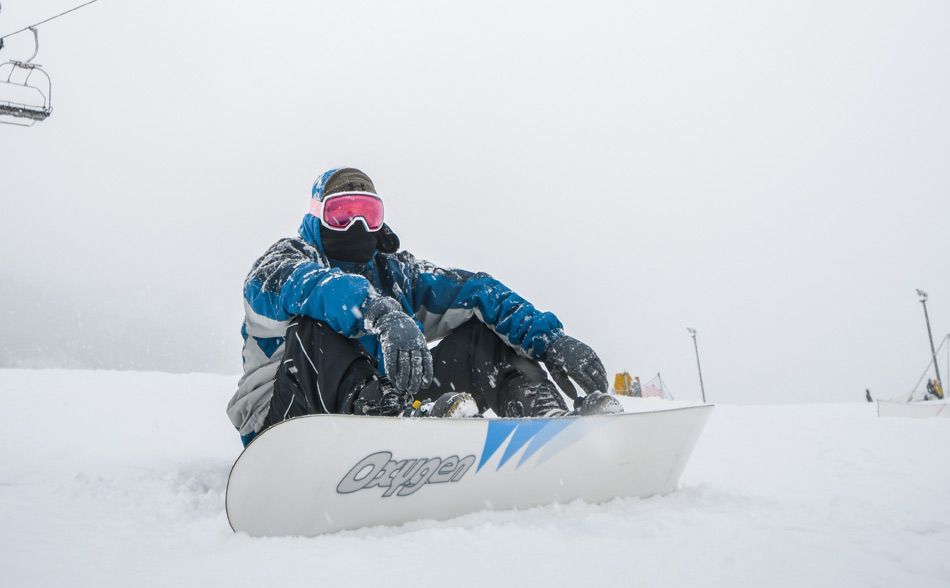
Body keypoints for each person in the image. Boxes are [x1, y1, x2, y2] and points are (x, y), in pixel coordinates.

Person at [226, 167, 621, 446]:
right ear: (316, 216)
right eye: (342, 214)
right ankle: (391, 423)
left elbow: (476, 290)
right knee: (316, 326)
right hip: (281, 423)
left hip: (385, 409)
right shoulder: (282, 263)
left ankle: (544, 419)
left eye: (369, 214)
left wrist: (548, 340)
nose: (357, 227)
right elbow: (317, 288)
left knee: (480, 334)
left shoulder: (397, 275)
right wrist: (380, 312)